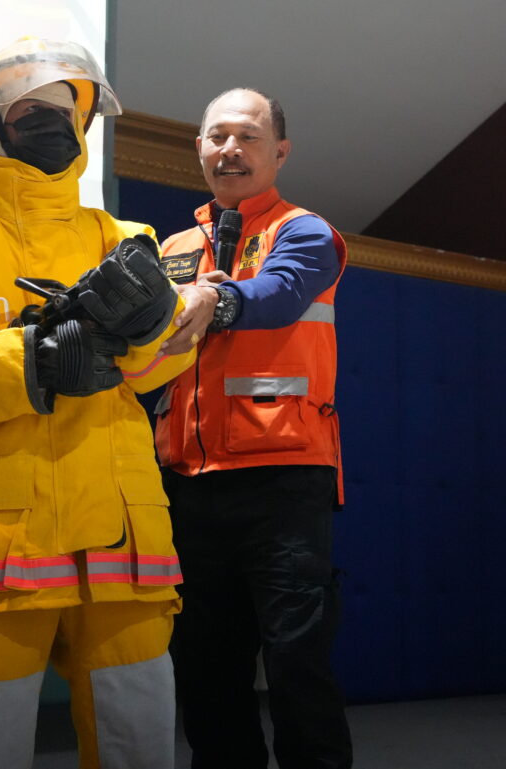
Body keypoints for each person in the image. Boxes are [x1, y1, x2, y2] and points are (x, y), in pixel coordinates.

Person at [0, 37, 195, 769]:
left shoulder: (123, 238)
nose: (53, 126)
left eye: (64, 114)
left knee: (139, 746)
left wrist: (153, 329)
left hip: (121, 549)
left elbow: (163, 365)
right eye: (30, 112)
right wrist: (34, 360)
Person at [154, 88, 352, 769]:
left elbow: (282, 291)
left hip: (284, 481)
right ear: (199, 148)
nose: (230, 149)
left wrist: (216, 296)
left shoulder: (306, 231)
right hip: (188, 485)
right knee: (206, 672)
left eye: (247, 136)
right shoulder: (173, 248)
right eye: (217, 137)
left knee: (298, 666)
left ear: (280, 152)